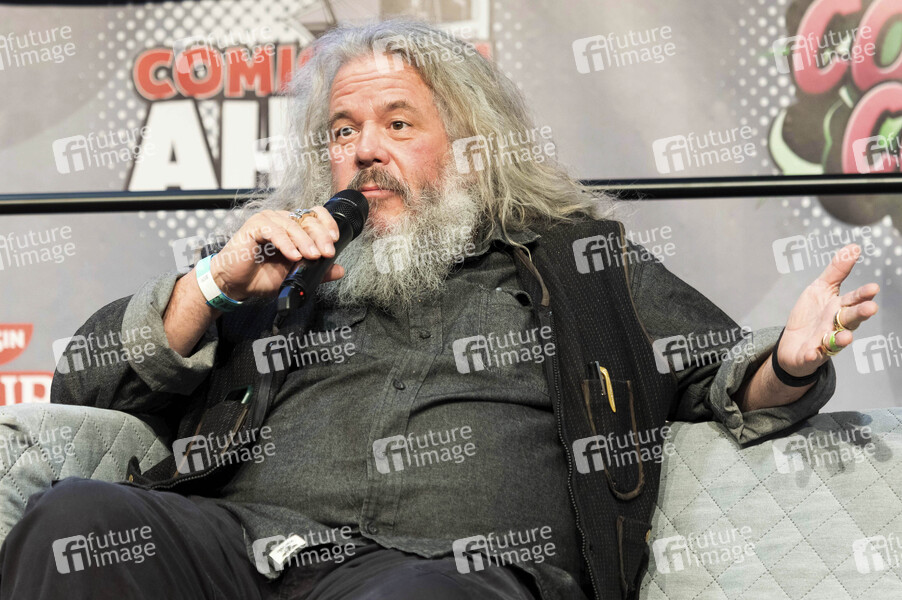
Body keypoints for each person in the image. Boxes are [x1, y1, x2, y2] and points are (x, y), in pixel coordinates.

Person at [0, 20, 880, 600]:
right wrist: (214, 285)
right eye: (342, 131)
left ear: (471, 150)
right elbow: (86, 382)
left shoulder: (578, 262)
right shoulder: (274, 270)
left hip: (450, 570)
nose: (363, 151)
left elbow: (725, 376)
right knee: (75, 519)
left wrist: (791, 359)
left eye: (397, 124)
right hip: (246, 549)